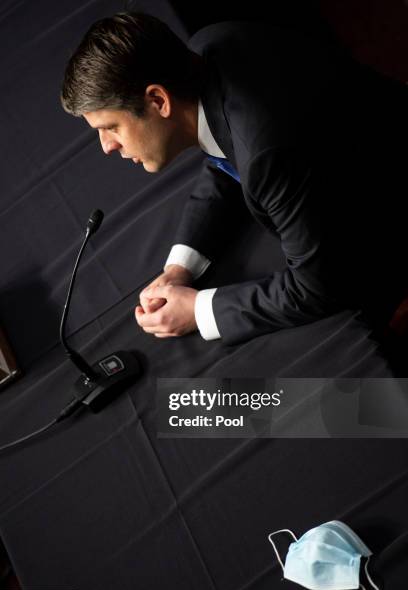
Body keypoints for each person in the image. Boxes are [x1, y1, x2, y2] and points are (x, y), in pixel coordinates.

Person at [61, 12, 407, 346]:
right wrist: (182, 266)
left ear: (157, 99)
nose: (106, 146)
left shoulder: (267, 150)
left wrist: (199, 311)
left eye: (110, 127)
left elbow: (319, 287)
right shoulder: (206, 47)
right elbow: (225, 154)